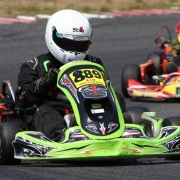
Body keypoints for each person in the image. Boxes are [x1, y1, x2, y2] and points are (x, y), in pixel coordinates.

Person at [16, 9, 128, 140]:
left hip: (89, 106)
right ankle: (62, 136)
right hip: (56, 110)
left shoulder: (94, 62)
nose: (75, 50)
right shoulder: (34, 65)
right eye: (69, 44)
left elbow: (105, 91)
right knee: (43, 111)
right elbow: (22, 100)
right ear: (53, 36)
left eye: (80, 45)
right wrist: (45, 82)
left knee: (117, 98)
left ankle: (120, 128)